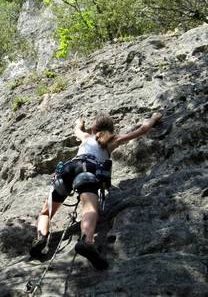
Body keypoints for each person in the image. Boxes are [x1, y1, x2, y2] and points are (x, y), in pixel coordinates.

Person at [29, 112, 163, 270]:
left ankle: (41, 237)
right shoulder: (113, 141)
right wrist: (154, 118)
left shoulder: (86, 137)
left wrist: (79, 122)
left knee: (45, 212)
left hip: (67, 169)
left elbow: (76, 129)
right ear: (112, 130)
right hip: (88, 171)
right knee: (90, 208)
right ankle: (86, 241)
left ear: (93, 128)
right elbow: (141, 130)